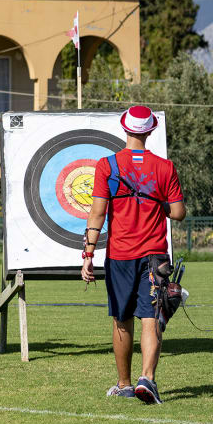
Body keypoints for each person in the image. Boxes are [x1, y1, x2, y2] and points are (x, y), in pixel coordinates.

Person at [82, 105, 186, 404]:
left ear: (125, 128)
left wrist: (88, 254)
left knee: (122, 319)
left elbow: (97, 213)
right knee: (151, 317)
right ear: (150, 131)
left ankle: (124, 384)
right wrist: (158, 204)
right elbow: (178, 213)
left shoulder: (107, 166)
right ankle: (147, 379)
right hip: (155, 256)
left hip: (120, 256)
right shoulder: (165, 167)